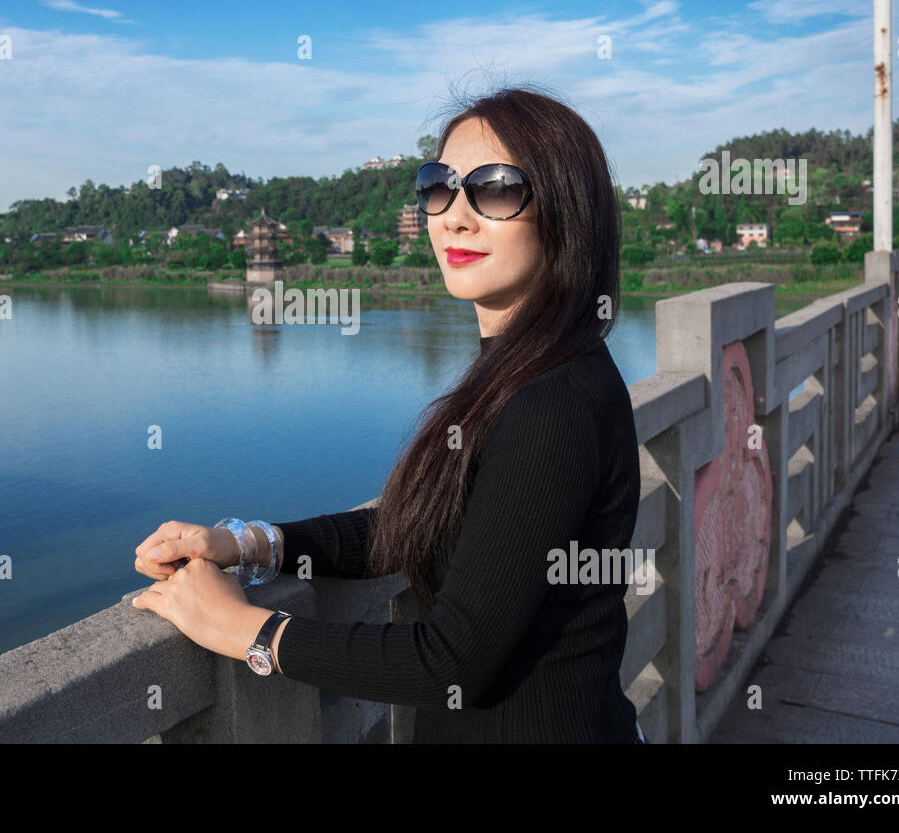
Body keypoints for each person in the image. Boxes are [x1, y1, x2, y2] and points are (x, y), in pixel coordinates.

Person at [132, 84, 644, 742]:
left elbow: (452, 661)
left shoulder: (555, 400)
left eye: (493, 188)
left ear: (568, 212)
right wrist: (249, 543)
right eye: (440, 186)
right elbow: (422, 527)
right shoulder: (526, 371)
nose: (454, 216)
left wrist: (245, 629)